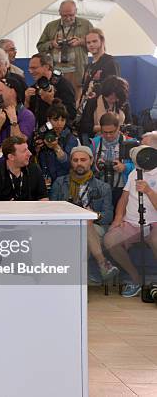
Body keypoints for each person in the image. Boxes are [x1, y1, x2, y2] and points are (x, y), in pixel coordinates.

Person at [50, 146, 117, 281]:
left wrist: (93, 215)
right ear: (71, 162)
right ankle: (102, 264)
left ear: (91, 161)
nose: (79, 163)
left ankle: (73, 284)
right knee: (82, 237)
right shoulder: (60, 183)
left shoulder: (103, 187)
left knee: (85, 222)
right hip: (65, 225)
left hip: (95, 226)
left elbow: (108, 215)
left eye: (83, 160)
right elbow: (52, 209)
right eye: (75, 160)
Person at [103, 134, 157, 297]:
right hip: (132, 223)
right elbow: (124, 197)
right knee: (110, 240)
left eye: (144, 147)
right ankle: (135, 278)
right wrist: (118, 218)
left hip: (154, 223)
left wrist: (148, 190)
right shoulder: (135, 171)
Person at [37, 0, 93, 98]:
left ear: (76, 11)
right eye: (64, 15)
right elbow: (40, 46)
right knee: (57, 99)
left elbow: (95, 46)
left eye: (71, 15)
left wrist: (80, 42)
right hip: (56, 72)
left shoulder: (86, 25)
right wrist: (51, 44)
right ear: (59, 12)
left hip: (77, 72)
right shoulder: (51, 26)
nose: (68, 18)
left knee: (76, 100)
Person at [0, 75, 35, 172]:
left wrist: (13, 121)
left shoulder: (26, 115)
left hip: (15, 170)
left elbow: (19, 144)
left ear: (12, 92)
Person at [0, 136, 48, 201]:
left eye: (28, 149)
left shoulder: (35, 170)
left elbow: (43, 198)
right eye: (24, 151)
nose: (30, 153)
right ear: (11, 157)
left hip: (31, 211)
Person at [90, 113, 135, 207]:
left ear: (118, 128)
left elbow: (139, 167)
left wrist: (124, 167)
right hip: (100, 187)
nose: (108, 135)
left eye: (112, 132)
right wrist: (96, 166)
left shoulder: (129, 142)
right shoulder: (95, 142)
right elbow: (88, 163)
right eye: (105, 132)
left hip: (123, 188)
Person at [35, 99, 79, 187]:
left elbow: (70, 165)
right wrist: (36, 150)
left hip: (64, 184)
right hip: (44, 182)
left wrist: (56, 147)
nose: (59, 123)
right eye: (55, 120)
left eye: (62, 120)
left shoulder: (70, 139)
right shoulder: (41, 134)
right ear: (48, 120)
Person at [24, 53, 77, 127]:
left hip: (59, 133)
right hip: (40, 133)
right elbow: (29, 116)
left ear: (46, 67)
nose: (30, 71)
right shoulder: (34, 88)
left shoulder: (63, 85)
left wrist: (51, 101)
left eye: (34, 68)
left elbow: (71, 114)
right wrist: (26, 101)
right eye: (30, 68)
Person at [78, 28, 120, 116]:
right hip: (86, 110)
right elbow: (83, 89)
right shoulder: (88, 66)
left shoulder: (110, 62)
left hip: (102, 111)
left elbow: (115, 89)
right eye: (88, 43)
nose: (91, 45)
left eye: (94, 41)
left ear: (102, 41)